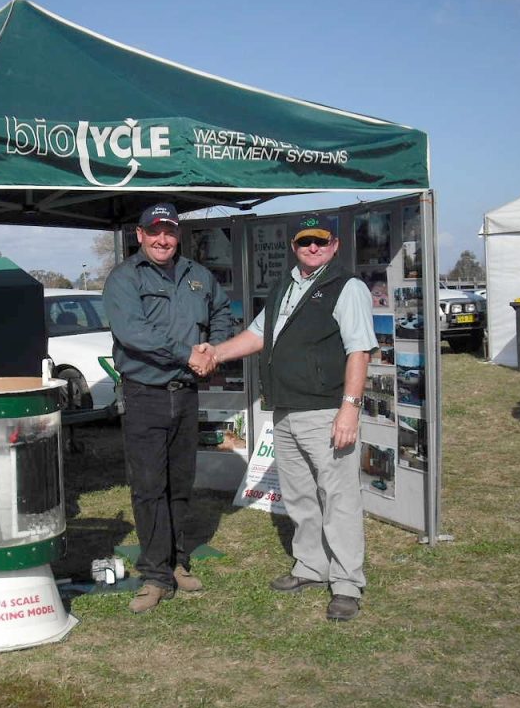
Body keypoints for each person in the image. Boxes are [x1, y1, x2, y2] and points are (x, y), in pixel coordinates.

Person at [202, 213, 376, 621]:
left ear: (334, 245)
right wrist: (215, 353)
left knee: (339, 499)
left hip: (327, 410)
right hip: (285, 410)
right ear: (294, 247)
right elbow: (257, 336)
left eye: (320, 242)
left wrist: (349, 408)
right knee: (299, 496)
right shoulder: (284, 287)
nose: (312, 248)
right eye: (304, 242)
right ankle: (311, 566)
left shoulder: (346, 287)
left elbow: (359, 351)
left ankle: (348, 582)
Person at [103, 202, 230, 613]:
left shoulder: (198, 276)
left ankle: (177, 561)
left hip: (186, 393)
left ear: (178, 235)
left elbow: (222, 312)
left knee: (180, 483)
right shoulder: (124, 278)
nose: (162, 239)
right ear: (139, 235)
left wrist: (215, 349)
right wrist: (187, 353)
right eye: (154, 231)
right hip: (145, 394)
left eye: (170, 232)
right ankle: (155, 573)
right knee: (148, 487)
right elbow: (134, 333)